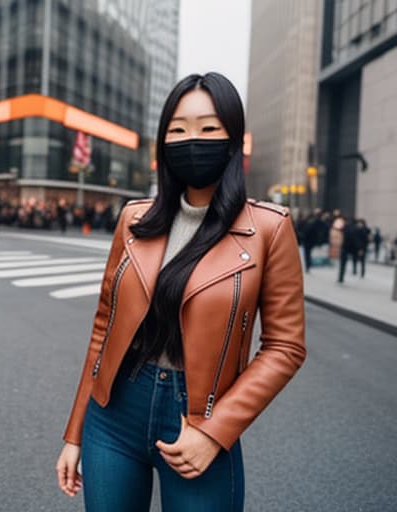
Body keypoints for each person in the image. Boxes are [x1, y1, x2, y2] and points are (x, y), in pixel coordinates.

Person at [55, 73, 306, 511]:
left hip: (199, 417)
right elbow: (103, 329)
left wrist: (216, 430)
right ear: (162, 142)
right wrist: (75, 433)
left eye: (208, 128)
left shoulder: (269, 227)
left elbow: (285, 346)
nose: (192, 140)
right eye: (178, 129)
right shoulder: (135, 219)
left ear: (232, 140)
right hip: (113, 413)